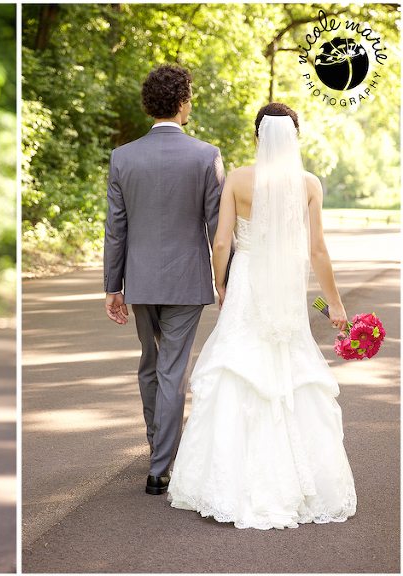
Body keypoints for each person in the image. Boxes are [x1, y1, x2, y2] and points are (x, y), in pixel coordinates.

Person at [167, 103, 357, 529]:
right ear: (296, 137)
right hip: (285, 284)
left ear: (257, 137)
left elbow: (220, 242)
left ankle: (227, 480)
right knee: (287, 362)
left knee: (237, 362)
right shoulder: (309, 184)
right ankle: (300, 481)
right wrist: (336, 304)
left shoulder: (237, 178)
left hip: (248, 276)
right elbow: (317, 251)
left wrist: (221, 283)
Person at [103, 64, 226, 495]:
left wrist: (112, 286)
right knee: (173, 370)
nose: (191, 103)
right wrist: (225, 281)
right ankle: (160, 468)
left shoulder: (123, 157)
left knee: (149, 365)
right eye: (189, 96)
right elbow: (218, 228)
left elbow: (116, 228)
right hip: (188, 281)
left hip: (140, 280)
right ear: (181, 102)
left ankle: (158, 446)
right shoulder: (206, 154)